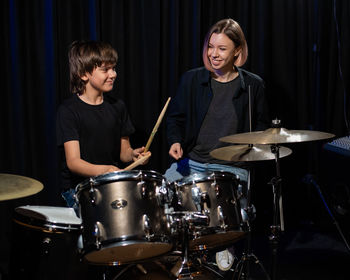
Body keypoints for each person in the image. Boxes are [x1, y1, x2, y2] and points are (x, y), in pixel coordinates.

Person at [165, 18, 269, 184]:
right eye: (210, 47)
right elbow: (175, 118)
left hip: (232, 168)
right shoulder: (191, 79)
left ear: (237, 50)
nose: (213, 54)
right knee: (162, 195)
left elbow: (262, 127)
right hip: (192, 163)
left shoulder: (253, 85)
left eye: (222, 49)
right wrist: (175, 141)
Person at [56, 40, 149, 207]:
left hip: (110, 186)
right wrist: (105, 171)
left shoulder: (117, 106)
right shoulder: (68, 111)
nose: (113, 74)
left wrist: (133, 155)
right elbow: (73, 162)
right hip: (78, 190)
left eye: (113, 68)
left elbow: (124, 152)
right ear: (84, 74)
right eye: (105, 70)